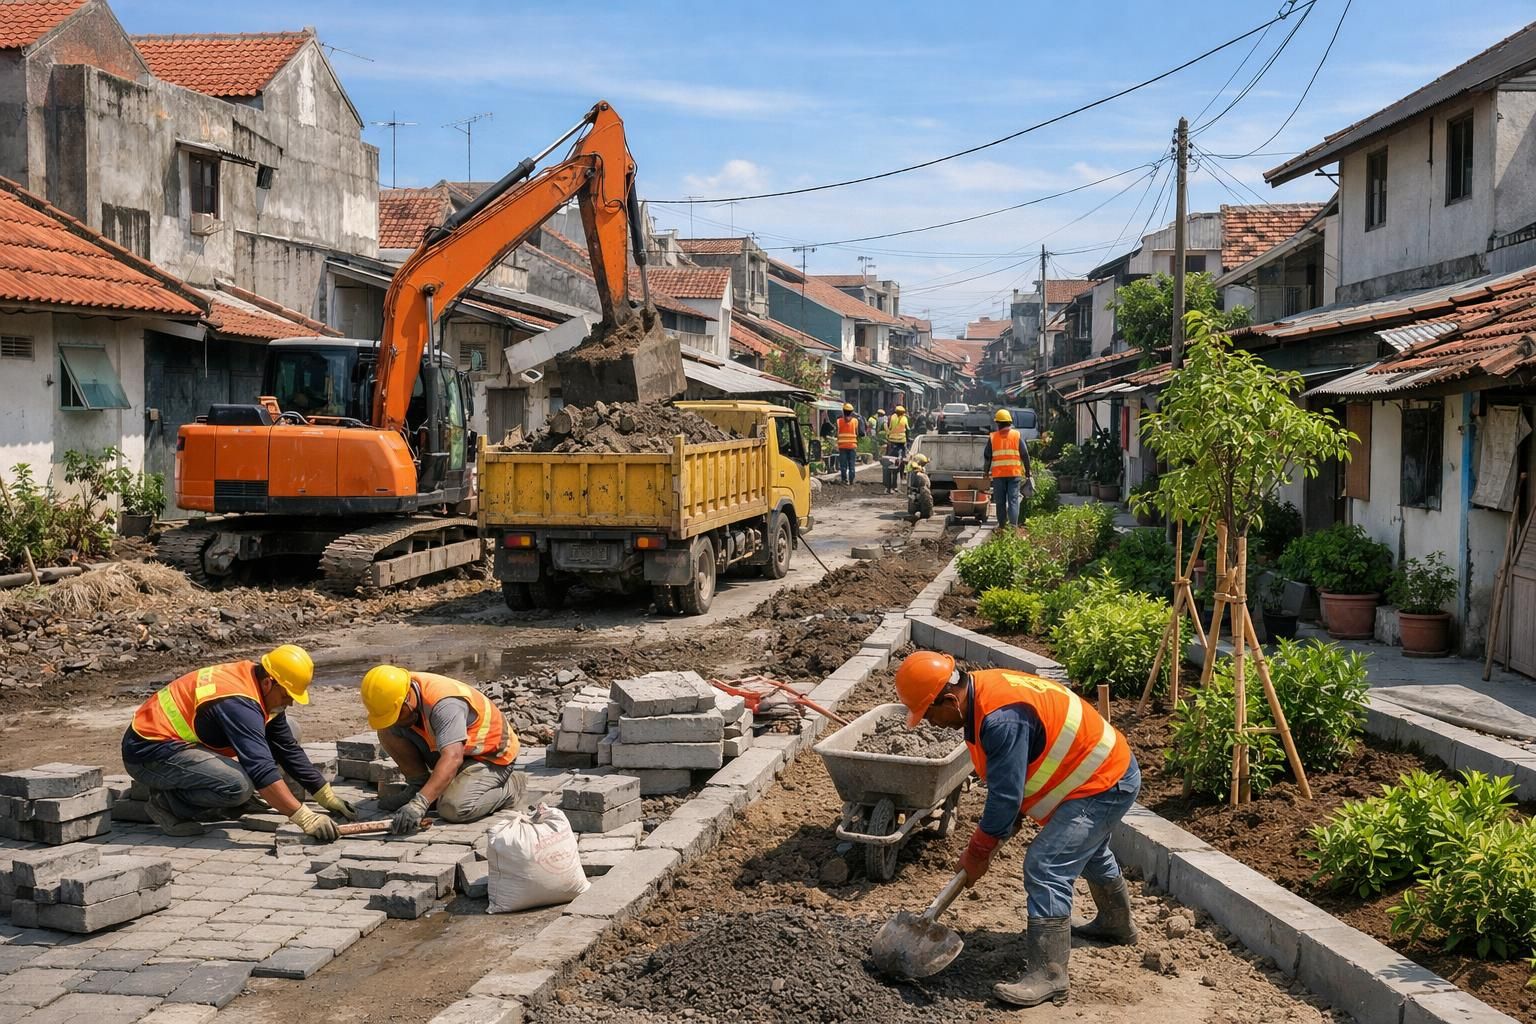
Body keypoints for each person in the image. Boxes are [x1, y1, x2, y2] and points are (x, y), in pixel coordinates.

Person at [894, 651, 1140, 1008]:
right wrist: (999, 830)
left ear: (950, 699)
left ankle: (1049, 975)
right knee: (1086, 851)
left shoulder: (1000, 719)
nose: (931, 723)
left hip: (1103, 781)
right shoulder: (981, 697)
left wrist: (978, 851)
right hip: (1091, 775)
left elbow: (1006, 797)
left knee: (1046, 864)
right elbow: (1012, 784)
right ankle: (1116, 924)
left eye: (930, 714)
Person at [123, 645, 354, 841]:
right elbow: (260, 769)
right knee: (238, 786)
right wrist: (303, 817)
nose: (289, 703)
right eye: (286, 696)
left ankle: (232, 795)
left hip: (181, 742)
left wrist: (324, 794)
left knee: (290, 728)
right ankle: (167, 803)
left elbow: (286, 746)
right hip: (150, 752)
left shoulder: (255, 682)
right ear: (268, 683)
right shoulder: (238, 703)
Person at [360, 665, 526, 833]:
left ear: (407, 698)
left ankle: (512, 787)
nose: (395, 720)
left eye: (397, 714)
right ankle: (420, 786)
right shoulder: (398, 687)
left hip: (490, 757)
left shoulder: (444, 704)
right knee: (387, 729)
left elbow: (453, 758)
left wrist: (420, 804)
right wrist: (423, 795)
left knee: (453, 808)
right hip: (455, 747)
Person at [982, 408, 1033, 528]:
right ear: (1010, 422)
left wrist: (985, 472)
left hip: (999, 476)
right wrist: (1027, 471)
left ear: (998, 423)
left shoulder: (993, 437)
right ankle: (1013, 527)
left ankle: (1002, 526)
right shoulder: (1016, 435)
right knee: (1013, 501)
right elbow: (1025, 455)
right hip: (1014, 474)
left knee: (1000, 502)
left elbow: (987, 457)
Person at [835, 403, 862, 485]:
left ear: (843, 411)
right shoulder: (855, 421)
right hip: (852, 446)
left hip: (842, 446)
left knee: (843, 465)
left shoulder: (839, 421)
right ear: (851, 412)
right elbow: (857, 433)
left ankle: (844, 480)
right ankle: (851, 480)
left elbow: (837, 433)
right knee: (852, 464)